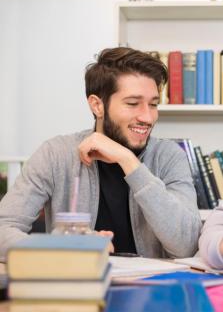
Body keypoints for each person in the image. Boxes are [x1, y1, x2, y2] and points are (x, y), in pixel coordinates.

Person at [0, 47, 202, 260]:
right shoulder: (56, 154)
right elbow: (3, 229)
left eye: (153, 104)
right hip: (79, 288)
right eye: (133, 104)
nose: (148, 117)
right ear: (97, 105)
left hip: (153, 289)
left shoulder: (169, 157)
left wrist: (128, 161)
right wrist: (66, 247)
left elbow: (186, 245)